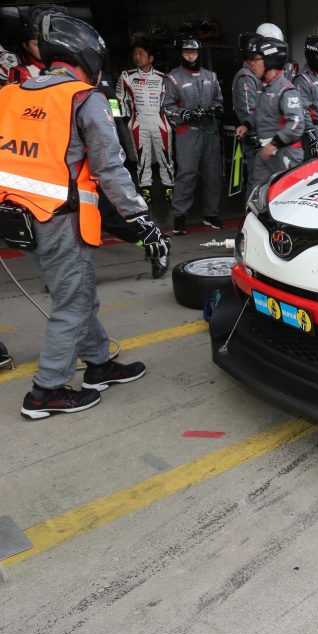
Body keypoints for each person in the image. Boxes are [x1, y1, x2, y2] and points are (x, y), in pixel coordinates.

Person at [0, 13, 168, 419]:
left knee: (76, 295)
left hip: (17, 219)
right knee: (72, 303)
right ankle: (46, 391)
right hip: (61, 221)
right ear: (85, 56)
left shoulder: (12, 93)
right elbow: (110, 169)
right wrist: (142, 221)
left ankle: (98, 364)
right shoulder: (83, 98)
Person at [162, 37, 224, 235]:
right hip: (187, 132)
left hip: (210, 131)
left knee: (213, 174)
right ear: (180, 54)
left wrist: (216, 109)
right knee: (186, 174)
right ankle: (179, 216)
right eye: (186, 52)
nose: (191, 55)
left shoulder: (211, 76)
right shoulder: (173, 78)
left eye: (194, 52)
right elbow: (167, 107)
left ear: (199, 53)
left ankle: (211, 214)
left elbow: (219, 101)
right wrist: (186, 114)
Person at [240, 37, 304, 195]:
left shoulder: (286, 90)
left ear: (269, 60)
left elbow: (296, 124)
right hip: (266, 154)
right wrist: (246, 125)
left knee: (286, 198)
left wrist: (274, 144)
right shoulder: (264, 88)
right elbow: (259, 114)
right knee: (256, 194)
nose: (252, 64)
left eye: (256, 60)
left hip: (286, 154)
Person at [117, 39, 174, 204]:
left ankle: (169, 187)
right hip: (138, 122)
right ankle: (145, 189)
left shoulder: (164, 77)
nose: (137, 57)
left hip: (160, 121)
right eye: (135, 54)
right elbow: (119, 99)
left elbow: (171, 101)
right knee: (142, 158)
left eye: (141, 54)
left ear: (151, 58)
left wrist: (170, 122)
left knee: (166, 157)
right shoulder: (126, 76)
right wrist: (125, 119)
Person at [233, 32, 263, 201]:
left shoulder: (256, 73)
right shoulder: (246, 76)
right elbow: (248, 111)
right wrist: (256, 135)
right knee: (255, 182)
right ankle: (249, 219)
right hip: (254, 138)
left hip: (262, 137)